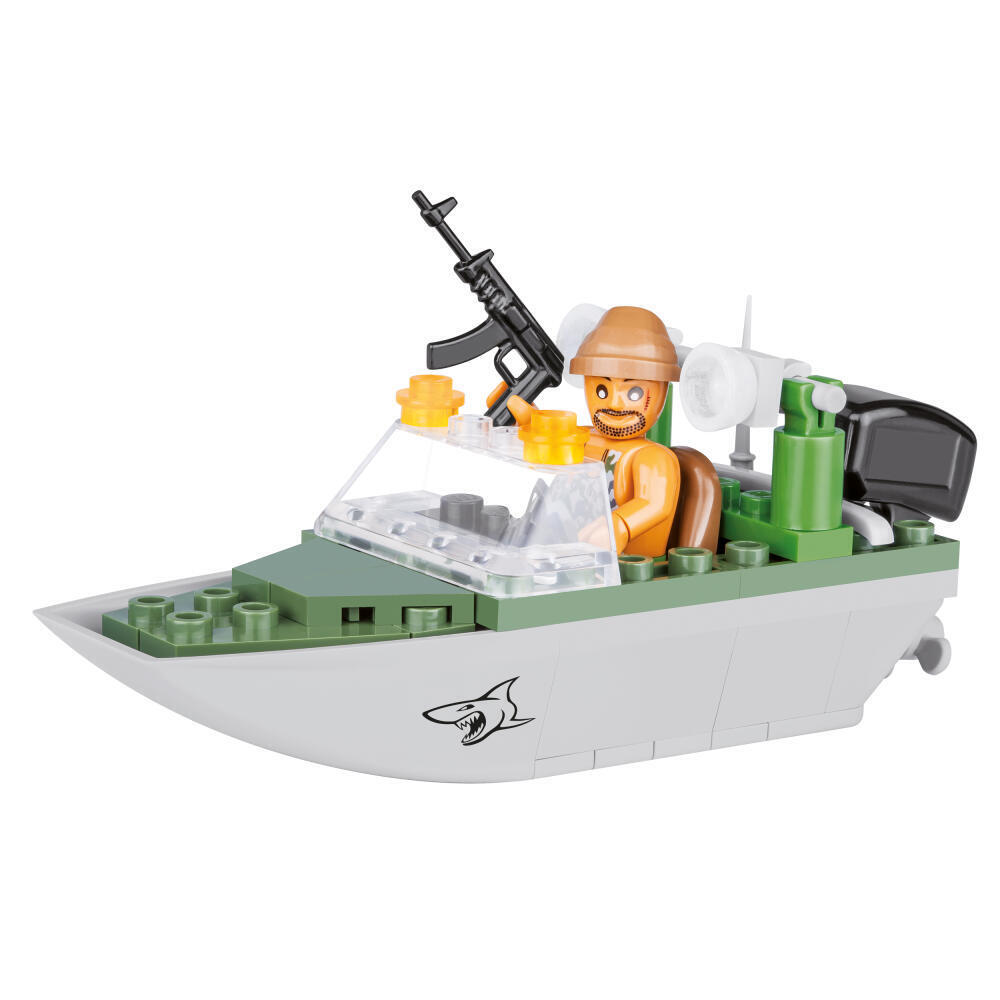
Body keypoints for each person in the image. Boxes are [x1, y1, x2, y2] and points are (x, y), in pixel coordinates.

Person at [488, 306, 721, 557]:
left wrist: (619, 526)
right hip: (565, 552)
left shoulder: (652, 458)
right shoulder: (585, 437)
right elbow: (554, 440)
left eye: (634, 393)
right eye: (602, 390)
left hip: (624, 565)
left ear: (662, 391)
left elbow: (653, 504)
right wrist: (526, 419)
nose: (615, 404)